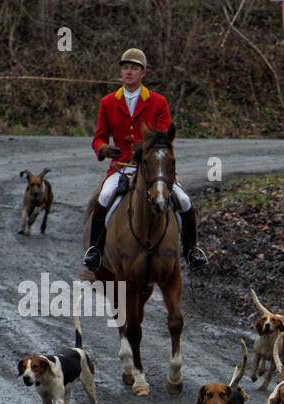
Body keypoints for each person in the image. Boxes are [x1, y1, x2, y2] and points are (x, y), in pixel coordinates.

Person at [84, 48, 207, 271]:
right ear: (121, 71)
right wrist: (103, 148)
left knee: (185, 202)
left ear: (143, 73)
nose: (128, 72)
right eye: (125, 67)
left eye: (134, 68)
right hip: (121, 169)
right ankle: (95, 250)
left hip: (153, 170)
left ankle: (192, 251)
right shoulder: (108, 102)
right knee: (103, 198)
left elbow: (163, 138)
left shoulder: (158, 102)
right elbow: (99, 136)